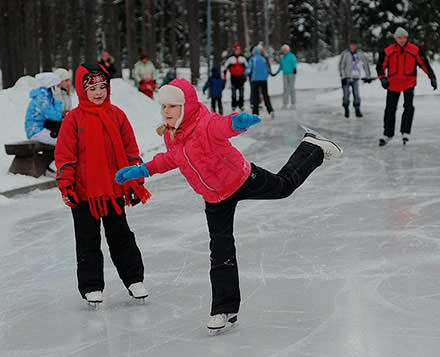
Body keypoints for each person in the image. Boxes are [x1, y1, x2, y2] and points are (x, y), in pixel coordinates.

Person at [114, 78, 343, 333]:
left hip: (240, 179)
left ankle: (312, 148)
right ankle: (225, 308)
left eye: (173, 106)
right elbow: (171, 159)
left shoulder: (205, 124)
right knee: (221, 250)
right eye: (164, 106)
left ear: (187, 106)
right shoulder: (172, 135)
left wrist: (236, 122)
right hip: (214, 198)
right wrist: (143, 169)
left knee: (283, 186)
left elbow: (222, 127)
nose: (166, 111)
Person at [54, 62, 152, 308]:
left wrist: (134, 180)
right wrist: (66, 186)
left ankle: (134, 280)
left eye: (102, 86)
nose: (98, 92)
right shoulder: (73, 120)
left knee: (121, 237)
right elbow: (65, 156)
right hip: (84, 193)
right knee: (87, 241)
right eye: (92, 87)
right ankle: (92, 286)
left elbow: (130, 150)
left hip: (113, 190)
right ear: (81, 89)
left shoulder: (117, 115)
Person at [376, 27, 437, 146]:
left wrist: (432, 77)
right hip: (393, 84)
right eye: (399, 37)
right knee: (390, 109)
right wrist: (383, 78)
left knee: (408, 107)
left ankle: (406, 132)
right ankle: (388, 133)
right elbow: (380, 66)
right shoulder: (388, 51)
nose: (402, 40)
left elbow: (424, 64)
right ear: (395, 38)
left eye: (404, 37)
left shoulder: (414, 50)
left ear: (407, 38)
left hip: (409, 83)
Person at [25, 72, 64, 145]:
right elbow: (56, 117)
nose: (60, 88)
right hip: (36, 131)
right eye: (58, 85)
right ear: (52, 86)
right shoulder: (42, 99)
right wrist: (58, 99)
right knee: (65, 143)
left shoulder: (48, 96)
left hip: (44, 128)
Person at [338, 40, 372, 118]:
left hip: (355, 77)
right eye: (351, 45)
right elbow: (341, 66)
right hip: (346, 77)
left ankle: (357, 109)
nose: (353, 46)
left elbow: (365, 65)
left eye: (354, 45)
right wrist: (343, 77)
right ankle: (346, 108)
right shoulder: (345, 54)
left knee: (356, 94)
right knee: (346, 94)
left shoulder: (360, 54)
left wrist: (368, 76)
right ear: (349, 45)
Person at [245, 46, 274, 118]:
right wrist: (266, 76)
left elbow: (249, 69)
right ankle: (270, 110)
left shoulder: (252, 59)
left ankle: (255, 113)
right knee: (265, 95)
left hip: (255, 80)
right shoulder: (263, 59)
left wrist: (244, 74)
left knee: (255, 96)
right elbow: (267, 70)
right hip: (264, 80)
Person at [223, 44, 248, 111]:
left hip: (241, 78)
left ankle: (241, 105)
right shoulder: (230, 59)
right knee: (233, 93)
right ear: (234, 50)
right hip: (233, 78)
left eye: (239, 50)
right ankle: (233, 105)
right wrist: (224, 77)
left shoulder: (243, 58)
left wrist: (246, 76)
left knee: (241, 93)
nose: (238, 51)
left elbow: (247, 68)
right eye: (236, 50)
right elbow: (225, 68)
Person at [273, 44, 297, 109]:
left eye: (285, 50)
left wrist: (294, 68)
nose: (284, 51)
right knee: (285, 88)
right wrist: (275, 73)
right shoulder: (283, 58)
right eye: (283, 50)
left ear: (288, 50)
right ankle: (285, 103)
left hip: (291, 74)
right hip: (285, 74)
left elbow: (294, 62)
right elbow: (281, 67)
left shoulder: (291, 56)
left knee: (291, 88)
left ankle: (293, 103)